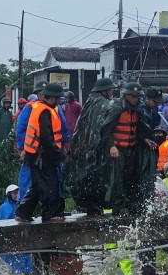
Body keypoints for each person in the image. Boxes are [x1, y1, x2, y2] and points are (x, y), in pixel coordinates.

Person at [101, 82, 158, 217]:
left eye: (137, 96)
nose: (135, 99)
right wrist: (111, 146)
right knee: (118, 179)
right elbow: (106, 130)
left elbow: (138, 129)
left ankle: (131, 204)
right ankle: (118, 207)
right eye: (132, 96)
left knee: (131, 178)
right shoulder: (116, 108)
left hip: (131, 149)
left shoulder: (137, 110)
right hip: (118, 150)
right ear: (126, 95)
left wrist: (145, 139)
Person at [16, 83, 67, 223]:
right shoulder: (45, 111)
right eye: (58, 98)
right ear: (53, 98)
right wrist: (59, 154)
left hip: (37, 155)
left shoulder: (43, 108)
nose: (59, 101)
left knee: (38, 185)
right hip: (42, 155)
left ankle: (23, 212)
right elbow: (46, 138)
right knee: (49, 184)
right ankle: (49, 214)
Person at [66, 77, 116, 216]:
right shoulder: (103, 105)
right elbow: (101, 128)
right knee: (97, 178)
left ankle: (91, 206)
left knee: (86, 178)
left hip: (81, 148)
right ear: (105, 91)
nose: (112, 91)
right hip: (95, 149)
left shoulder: (89, 102)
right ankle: (95, 205)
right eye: (110, 89)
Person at [0, 184, 33, 275]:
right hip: (9, 238)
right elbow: (1, 224)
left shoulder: (21, 205)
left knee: (24, 258)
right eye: (14, 193)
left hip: (21, 237)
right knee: (9, 262)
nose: (17, 195)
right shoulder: (4, 207)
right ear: (9, 194)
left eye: (18, 193)